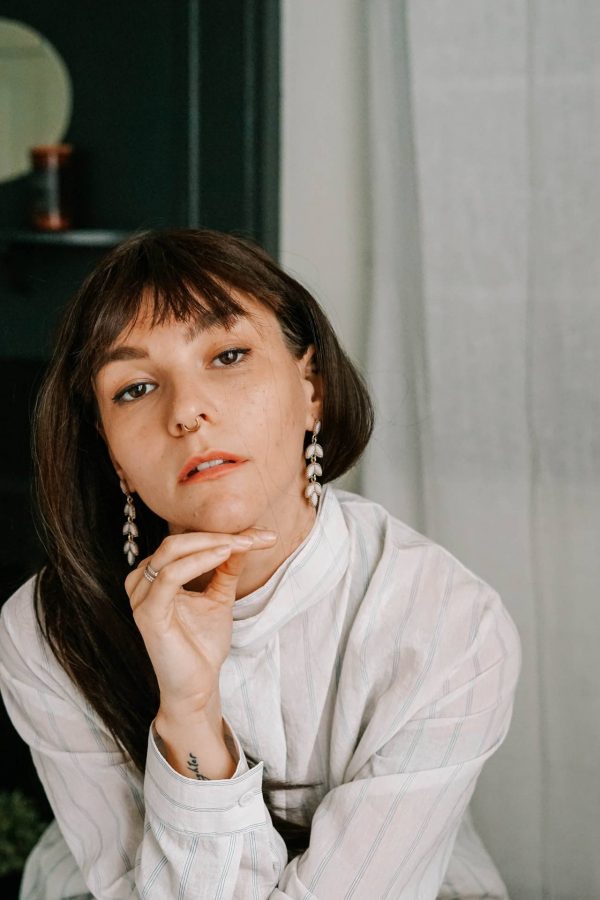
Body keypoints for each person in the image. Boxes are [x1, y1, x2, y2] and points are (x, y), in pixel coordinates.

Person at [0, 229, 521, 900]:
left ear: (312, 388)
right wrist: (189, 712)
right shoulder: (48, 632)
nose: (187, 411)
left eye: (229, 355)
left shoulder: (449, 624)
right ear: (112, 452)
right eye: (136, 388)